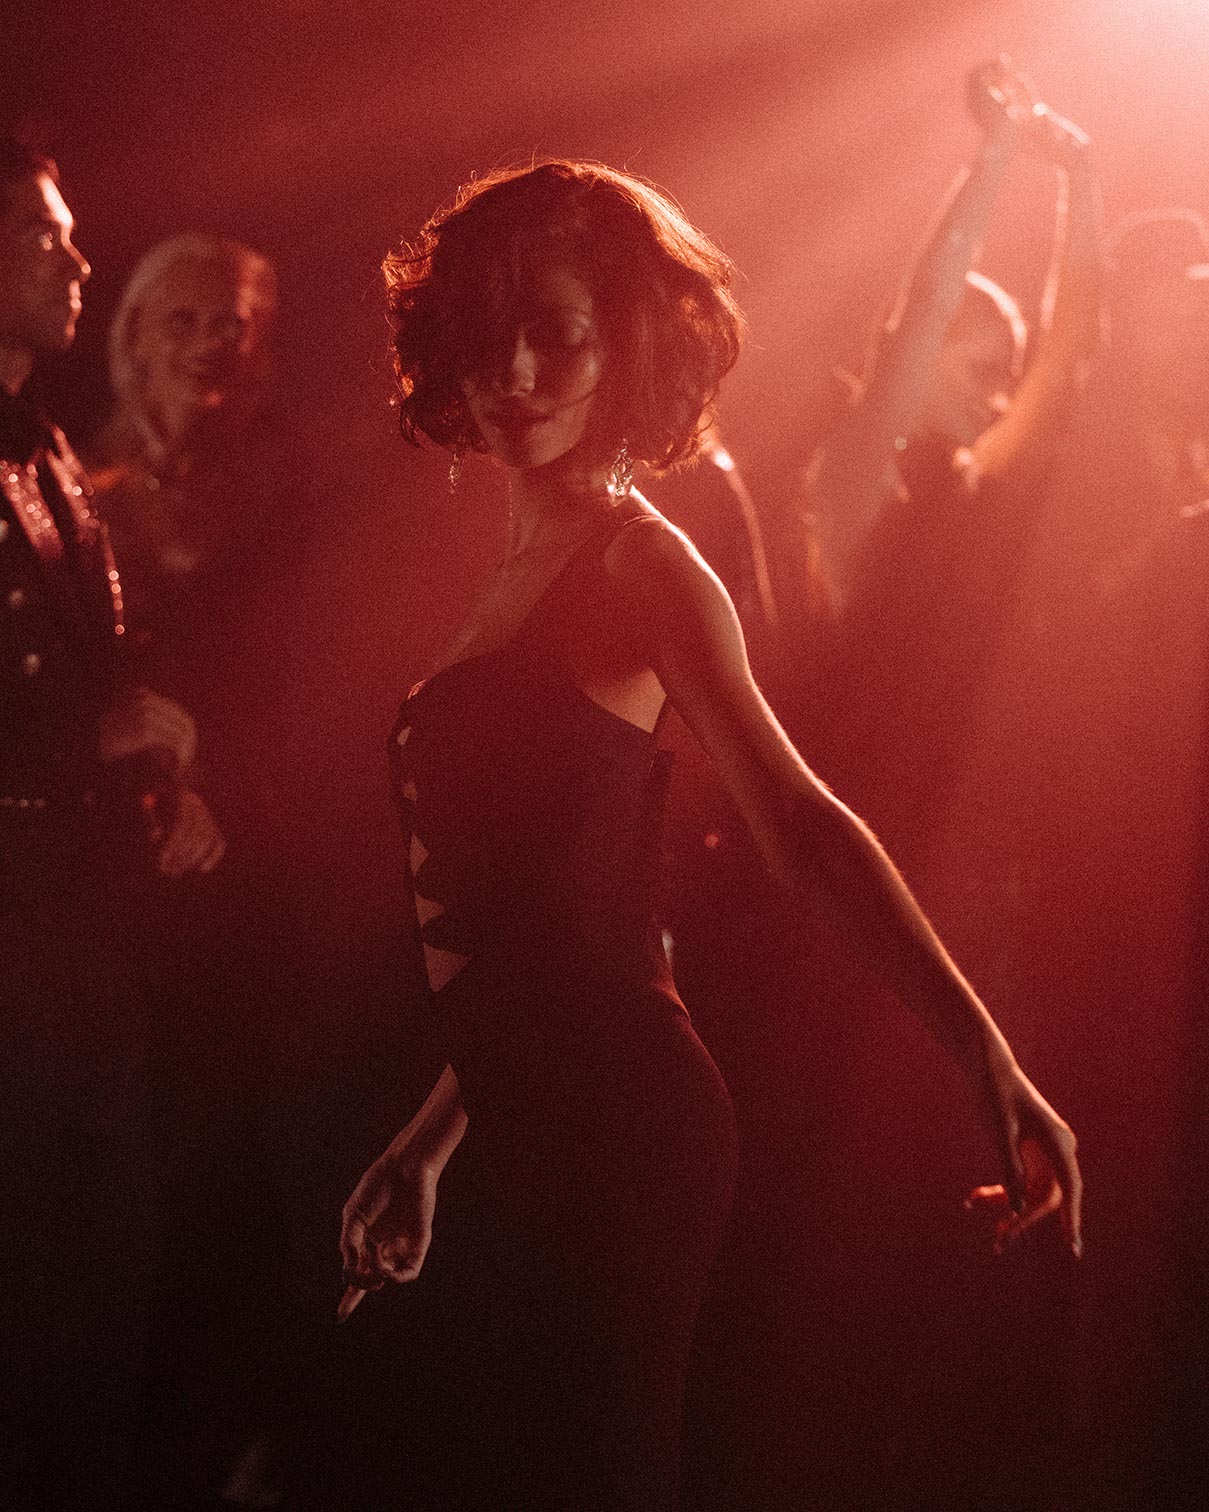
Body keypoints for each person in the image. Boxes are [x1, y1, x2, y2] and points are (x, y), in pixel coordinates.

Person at [336, 159, 1082, 1512]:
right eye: (489, 333)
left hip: (623, 1133)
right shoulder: (517, 569)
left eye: (555, 333)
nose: (515, 372)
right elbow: (549, 921)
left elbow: (799, 823)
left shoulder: (641, 564)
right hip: (531, 1121)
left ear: (625, 343)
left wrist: (984, 1056)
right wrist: (432, 1141)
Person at [0, 134, 224, 1509]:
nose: (77, 258)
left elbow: (95, 684)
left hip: (76, 939)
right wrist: (69, 743)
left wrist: (159, 787)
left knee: (97, 1305)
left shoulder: (47, 448)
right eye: (44, 236)